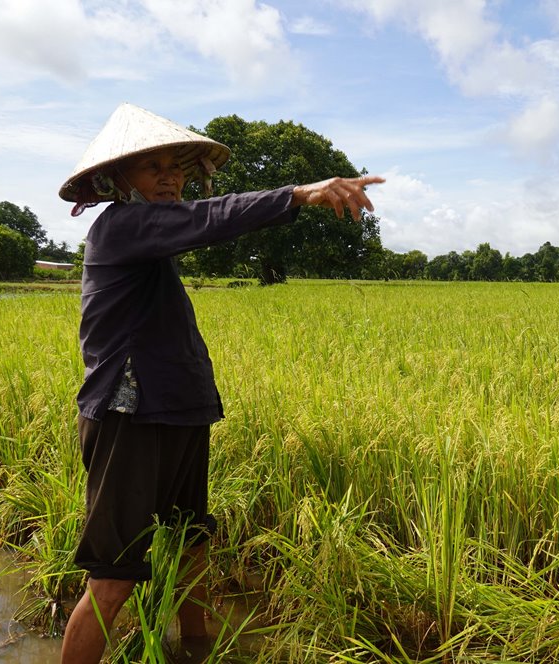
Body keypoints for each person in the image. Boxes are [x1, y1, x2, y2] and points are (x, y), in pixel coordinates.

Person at [57, 103, 383, 664]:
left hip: (179, 411)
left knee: (191, 546)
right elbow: (212, 217)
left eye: (175, 167)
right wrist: (302, 193)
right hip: (128, 415)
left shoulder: (150, 241)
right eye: (151, 167)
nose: (169, 176)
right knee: (113, 579)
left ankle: (197, 652)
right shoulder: (122, 226)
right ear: (116, 180)